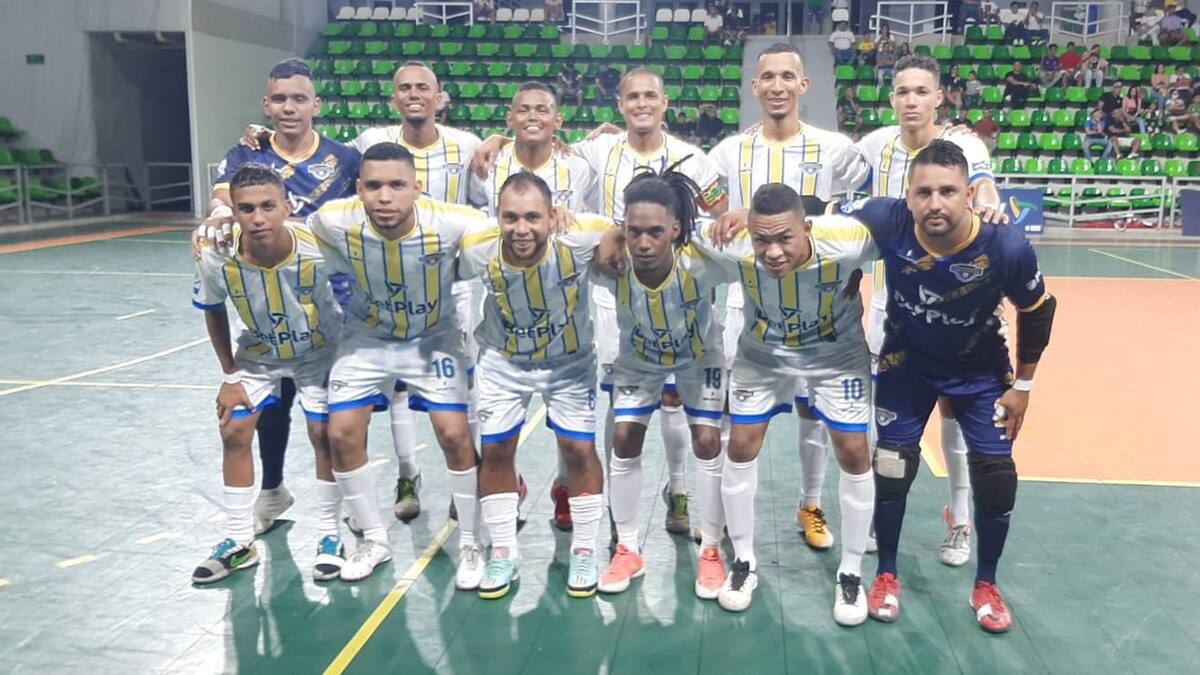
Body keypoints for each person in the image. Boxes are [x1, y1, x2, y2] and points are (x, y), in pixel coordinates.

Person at [472, 67, 730, 540]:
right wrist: (496, 139)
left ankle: (677, 489)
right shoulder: (597, 149)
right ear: (620, 104)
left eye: (650, 96)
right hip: (617, 296)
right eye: (632, 97)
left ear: (665, 102)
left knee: (676, 398)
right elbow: (539, 138)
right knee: (620, 406)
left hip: (678, 293)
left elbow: (720, 210)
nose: (641, 104)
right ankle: (604, 504)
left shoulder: (694, 158)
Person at [846, 140, 1057, 634]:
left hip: (981, 374)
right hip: (906, 366)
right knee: (891, 470)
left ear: (969, 194)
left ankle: (986, 584)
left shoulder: (1005, 245)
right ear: (907, 196)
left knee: (996, 477)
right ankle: (886, 574)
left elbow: (1038, 310)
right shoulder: (888, 220)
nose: (935, 203)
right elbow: (817, 219)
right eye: (923, 192)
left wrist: (1023, 386)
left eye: (948, 191)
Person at [709, 45, 870, 555]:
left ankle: (810, 503)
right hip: (752, 302)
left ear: (804, 85)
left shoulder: (835, 149)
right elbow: (700, 198)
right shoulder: (729, 151)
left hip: (818, 301)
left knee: (813, 412)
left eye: (787, 77)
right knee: (737, 421)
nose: (777, 86)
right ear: (754, 86)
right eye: (768, 77)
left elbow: (866, 200)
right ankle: (724, 521)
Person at [307, 143, 488, 586]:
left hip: (433, 337)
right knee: (340, 433)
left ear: (417, 188)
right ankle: (374, 540)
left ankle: (471, 542)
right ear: (358, 189)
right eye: (373, 186)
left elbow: (505, 236)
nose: (385, 196)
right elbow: (295, 232)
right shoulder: (333, 220)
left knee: (454, 434)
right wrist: (220, 222)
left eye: (396, 185)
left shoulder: (457, 223)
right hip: (366, 337)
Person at [855, 54, 1008, 568]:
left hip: (956, 309)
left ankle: (959, 518)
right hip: (891, 306)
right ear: (891, 98)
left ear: (939, 97)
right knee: (886, 417)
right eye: (902, 91)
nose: (911, 101)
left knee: (954, 413)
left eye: (921, 91)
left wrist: (990, 202)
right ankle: (880, 508)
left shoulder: (964, 146)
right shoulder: (875, 145)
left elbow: (984, 187)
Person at [203, 58, 361, 539]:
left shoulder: (345, 158)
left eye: (298, 98)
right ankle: (272, 491)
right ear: (266, 105)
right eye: (279, 99)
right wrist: (213, 220)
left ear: (316, 105)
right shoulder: (245, 153)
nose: (289, 108)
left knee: (331, 423)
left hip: (330, 303)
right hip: (267, 301)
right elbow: (220, 202)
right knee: (271, 406)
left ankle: (348, 502)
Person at [706, 184, 878, 623]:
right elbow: (669, 231)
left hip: (837, 356)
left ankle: (851, 572)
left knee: (854, 451)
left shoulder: (847, 241)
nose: (773, 252)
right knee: (740, 444)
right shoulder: (735, 244)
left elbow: (900, 223)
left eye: (784, 238)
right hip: (763, 354)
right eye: (762, 239)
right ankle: (743, 562)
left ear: (808, 228)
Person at [461, 173, 612, 599]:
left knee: (579, 449)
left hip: (569, 362)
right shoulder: (477, 247)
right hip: (503, 361)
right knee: (496, 449)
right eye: (510, 218)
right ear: (497, 216)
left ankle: (585, 549)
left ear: (552, 215)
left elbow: (623, 231)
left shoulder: (579, 235)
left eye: (532, 217)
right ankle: (503, 551)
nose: (521, 229)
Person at [191, 164, 343, 585]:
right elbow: (213, 310)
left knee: (324, 433)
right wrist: (229, 375)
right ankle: (240, 541)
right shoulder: (216, 253)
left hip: (320, 353)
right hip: (258, 355)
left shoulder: (320, 246)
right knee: (234, 429)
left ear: (287, 207)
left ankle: (330, 535)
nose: (257, 218)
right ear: (233, 212)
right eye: (246, 209)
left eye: (268, 206)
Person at [592, 168, 737, 602]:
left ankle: (711, 549)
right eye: (633, 231)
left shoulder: (702, 261)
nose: (643, 243)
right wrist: (607, 235)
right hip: (639, 360)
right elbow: (559, 232)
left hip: (698, 358)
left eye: (655, 232)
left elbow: (762, 253)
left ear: (675, 230)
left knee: (707, 441)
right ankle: (627, 548)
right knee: (622, 437)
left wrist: (747, 215)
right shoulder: (612, 262)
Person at [468, 82, 596, 219]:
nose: (532, 117)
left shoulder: (578, 169)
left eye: (542, 111)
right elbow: (474, 209)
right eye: (523, 110)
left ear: (558, 121)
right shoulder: (489, 164)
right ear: (510, 119)